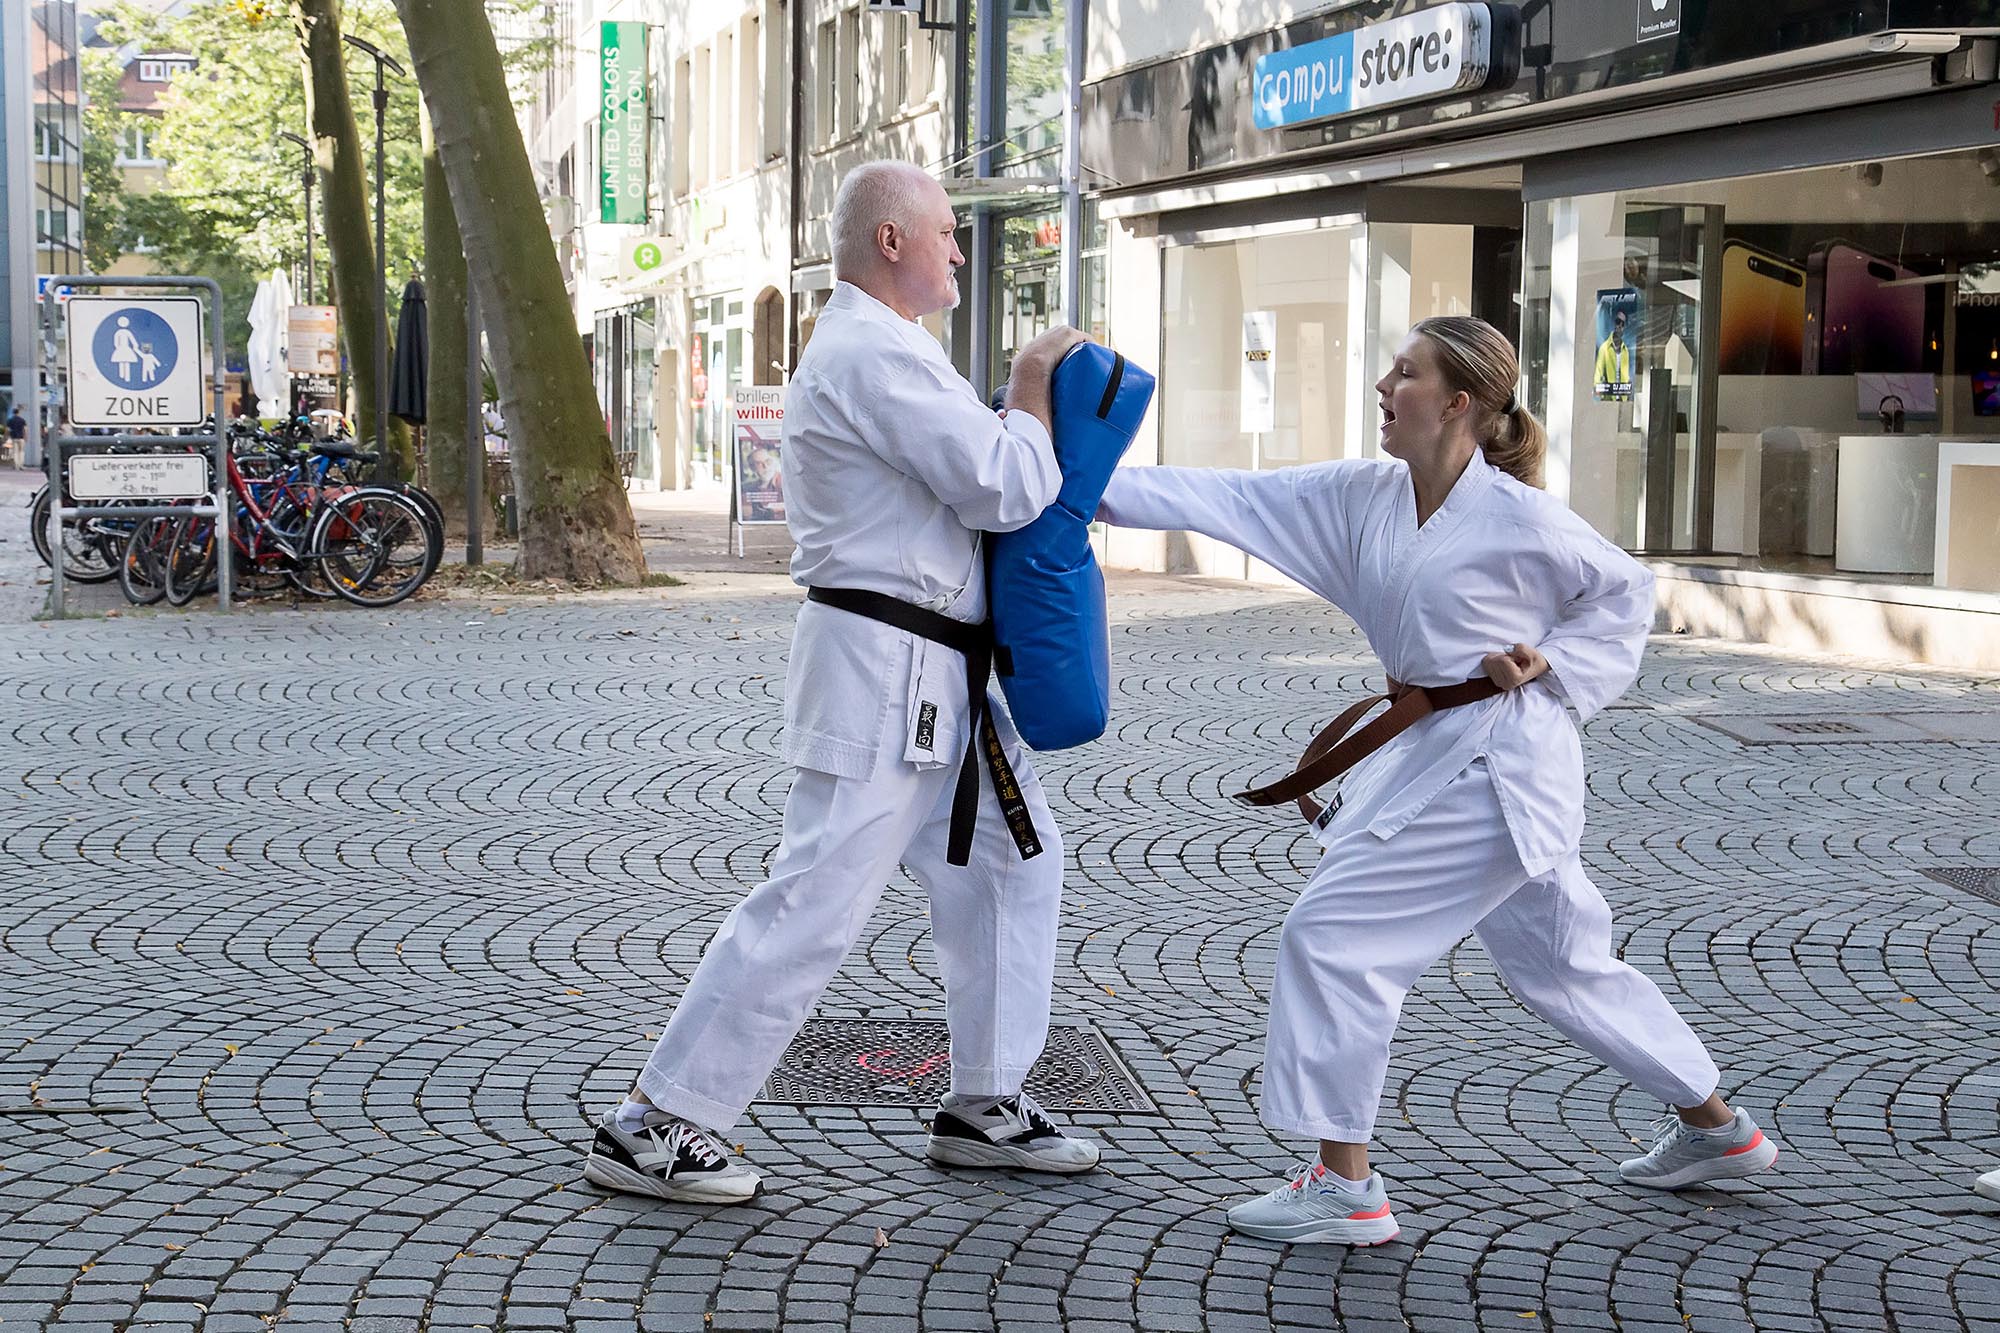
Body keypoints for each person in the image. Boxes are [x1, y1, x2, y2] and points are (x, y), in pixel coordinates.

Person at [1096, 315, 1776, 1246]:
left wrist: (1551, 658)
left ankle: (1347, 1188)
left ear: (1458, 402)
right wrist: (1073, 486)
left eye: (1405, 372)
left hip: (1499, 768)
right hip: (1448, 754)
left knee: (1335, 936)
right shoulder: (1363, 496)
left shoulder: (1523, 516)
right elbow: (1230, 496)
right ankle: (1721, 1131)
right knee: (1562, 965)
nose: (1384, 385)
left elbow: (1625, 593)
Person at [581, 160, 1098, 1204]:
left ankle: (985, 1098)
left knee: (1011, 862)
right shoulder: (870, 352)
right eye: (946, 231)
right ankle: (658, 1118)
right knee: (815, 895)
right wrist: (1032, 385)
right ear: (891, 241)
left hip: (927, 674)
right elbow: (1005, 484)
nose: (960, 250)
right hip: (885, 674)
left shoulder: (892, 348)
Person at [1594, 308, 1632, 398]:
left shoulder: (1625, 350)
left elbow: (1626, 376)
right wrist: (1599, 390)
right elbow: (1598, 373)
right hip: (1609, 399)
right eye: (1618, 322)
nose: (1620, 326)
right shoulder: (1604, 348)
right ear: (1614, 323)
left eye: (1623, 324)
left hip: (1622, 399)